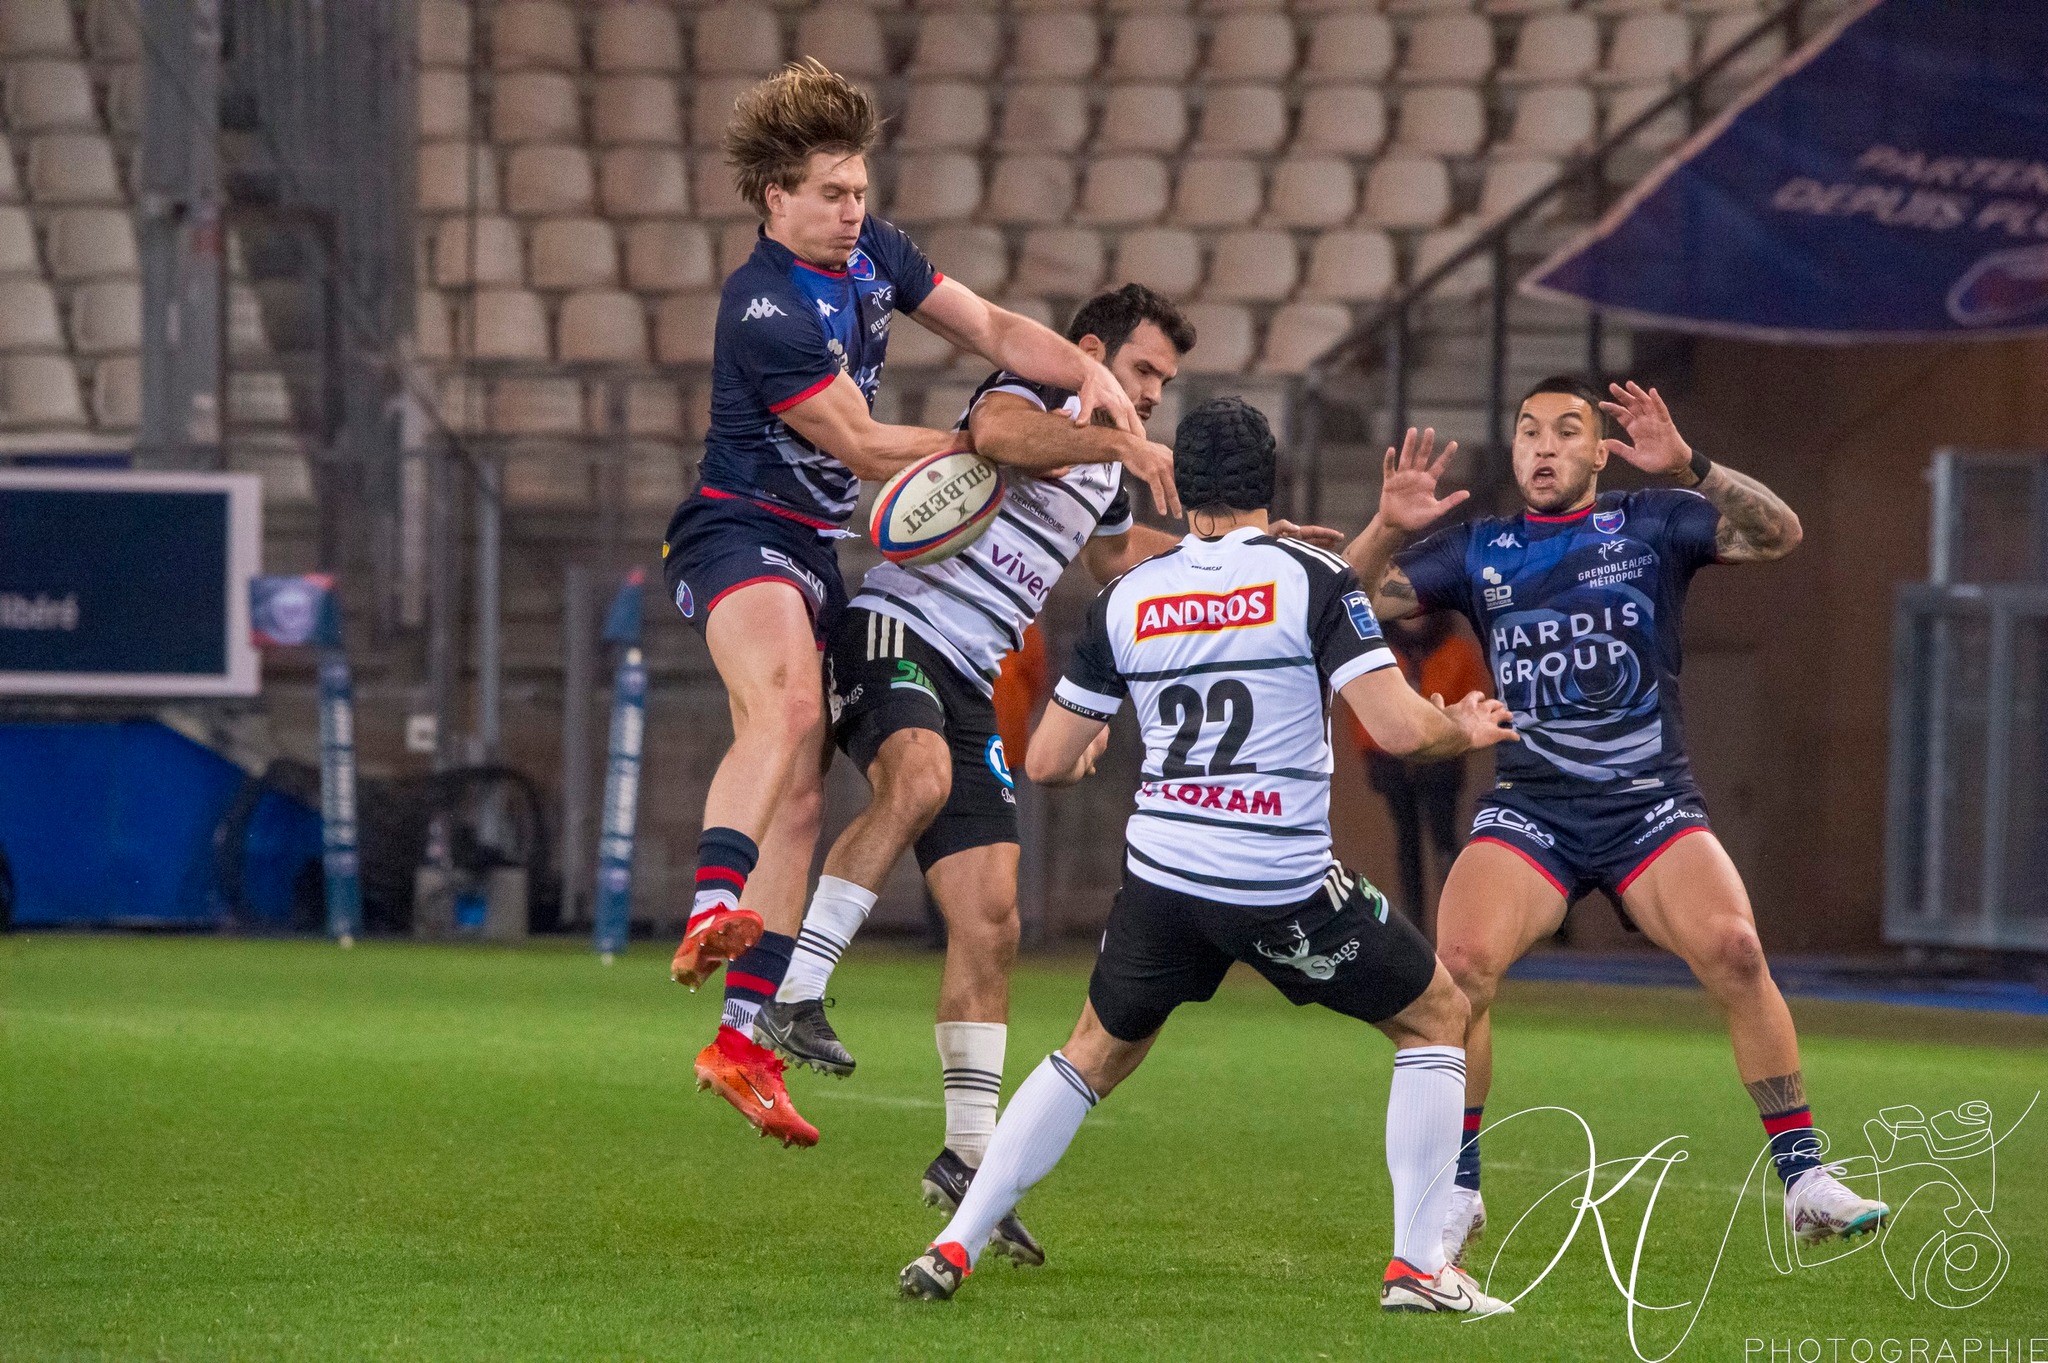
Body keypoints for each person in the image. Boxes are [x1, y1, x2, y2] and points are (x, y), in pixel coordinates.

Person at [897, 398, 1520, 1315]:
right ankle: (1418, 1269)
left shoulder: (1127, 596)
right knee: (1438, 1017)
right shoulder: (1311, 578)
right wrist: (1459, 727)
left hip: (1163, 882)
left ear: (1179, 490)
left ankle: (954, 1241)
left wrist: (1097, 737)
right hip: (1278, 882)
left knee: (1088, 1053)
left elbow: (1049, 760)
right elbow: (1396, 728)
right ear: (1273, 481)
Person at [759, 287, 1331, 1246]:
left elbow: (1115, 559)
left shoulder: (1108, 469)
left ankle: (968, 1156)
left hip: (972, 675)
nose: (1151, 394)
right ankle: (793, 990)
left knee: (993, 917)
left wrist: (1253, 546)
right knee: (920, 779)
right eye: (1142, 370)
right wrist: (1114, 438)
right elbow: (994, 435)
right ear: (1092, 350)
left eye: (1164, 382)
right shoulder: (1037, 390)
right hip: (896, 625)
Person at [662, 62, 1168, 1147]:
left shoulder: (874, 254)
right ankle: (710, 905)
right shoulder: (762, 307)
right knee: (788, 711)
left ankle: (745, 1037)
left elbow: (993, 327)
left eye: (858, 189)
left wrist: (1092, 380)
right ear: (775, 199)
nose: (853, 209)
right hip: (737, 527)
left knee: (804, 797)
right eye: (830, 193)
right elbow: (857, 442)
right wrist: (983, 446)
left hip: (816, 548)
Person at [1343, 380, 1889, 1266]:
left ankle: (1805, 1180)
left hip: (1649, 804)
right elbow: (1349, 605)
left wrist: (1693, 467)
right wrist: (1384, 526)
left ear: (1601, 453)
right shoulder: (1480, 548)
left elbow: (1780, 533)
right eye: (1529, 432)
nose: (1544, 446)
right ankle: (1459, 1191)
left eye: (1568, 431)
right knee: (1462, 969)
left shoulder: (1654, 521)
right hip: (1531, 807)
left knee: (1737, 950)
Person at [1348, 612, 1491, 930]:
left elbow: (1473, 702)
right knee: (1407, 844)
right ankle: (1415, 927)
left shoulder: (1456, 649)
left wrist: (1451, 740)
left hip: (1442, 762)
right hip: (1391, 761)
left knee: (1445, 841)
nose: (1413, 615)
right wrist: (1374, 752)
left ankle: (1457, 924)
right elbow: (1362, 708)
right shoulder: (1377, 651)